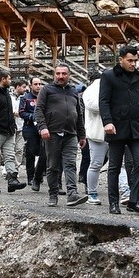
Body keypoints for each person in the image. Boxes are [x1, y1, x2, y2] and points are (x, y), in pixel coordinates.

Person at [99, 46, 139, 214]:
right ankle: (113, 202)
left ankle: (134, 201)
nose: (133, 64)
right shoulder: (109, 76)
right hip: (117, 127)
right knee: (114, 167)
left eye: (135, 61)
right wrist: (107, 122)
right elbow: (104, 101)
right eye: (130, 60)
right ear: (120, 59)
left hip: (137, 127)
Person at [35, 63, 88, 208]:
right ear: (54, 75)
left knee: (70, 164)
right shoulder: (47, 90)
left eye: (64, 74)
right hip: (52, 134)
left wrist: (82, 135)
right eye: (58, 73)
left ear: (69, 75)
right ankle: (53, 194)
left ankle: (72, 194)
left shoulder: (73, 92)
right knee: (53, 166)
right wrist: (43, 127)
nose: (60, 76)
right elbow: (39, 110)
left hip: (71, 134)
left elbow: (79, 114)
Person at [82, 72, 107, 204]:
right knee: (97, 163)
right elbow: (92, 105)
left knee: (97, 164)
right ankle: (92, 193)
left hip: (105, 133)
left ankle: (124, 192)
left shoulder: (112, 87)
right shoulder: (91, 90)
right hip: (98, 133)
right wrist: (109, 104)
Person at [18, 76, 45, 191]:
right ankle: (30, 176)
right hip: (30, 128)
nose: (38, 86)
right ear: (31, 85)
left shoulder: (44, 97)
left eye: (40, 84)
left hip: (43, 128)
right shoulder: (25, 98)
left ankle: (39, 174)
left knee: (44, 153)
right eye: (36, 84)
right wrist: (32, 116)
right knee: (30, 152)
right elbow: (21, 112)